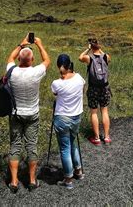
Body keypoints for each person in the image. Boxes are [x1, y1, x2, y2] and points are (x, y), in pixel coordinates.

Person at [5, 34, 50, 193]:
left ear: (19, 60)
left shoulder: (12, 72)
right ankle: (32, 180)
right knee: (31, 146)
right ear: (31, 61)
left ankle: (14, 181)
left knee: (15, 146)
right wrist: (39, 44)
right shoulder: (36, 72)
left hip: (16, 114)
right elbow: (47, 61)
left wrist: (21, 44)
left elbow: (10, 57)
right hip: (32, 114)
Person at [51, 54, 85, 189]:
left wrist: (62, 76)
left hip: (62, 117)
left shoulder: (57, 83)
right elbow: (82, 88)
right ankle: (78, 171)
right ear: (70, 65)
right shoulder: (79, 78)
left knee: (65, 148)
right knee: (72, 143)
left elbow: (55, 94)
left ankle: (68, 179)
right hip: (76, 116)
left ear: (59, 66)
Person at [78, 38, 112, 145]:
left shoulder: (89, 58)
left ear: (91, 47)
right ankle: (106, 137)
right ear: (99, 46)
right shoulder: (106, 57)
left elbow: (80, 58)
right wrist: (99, 49)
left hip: (93, 88)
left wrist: (88, 49)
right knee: (105, 111)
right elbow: (103, 54)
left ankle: (97, 138)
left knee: (94, 112)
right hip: (105, 87)